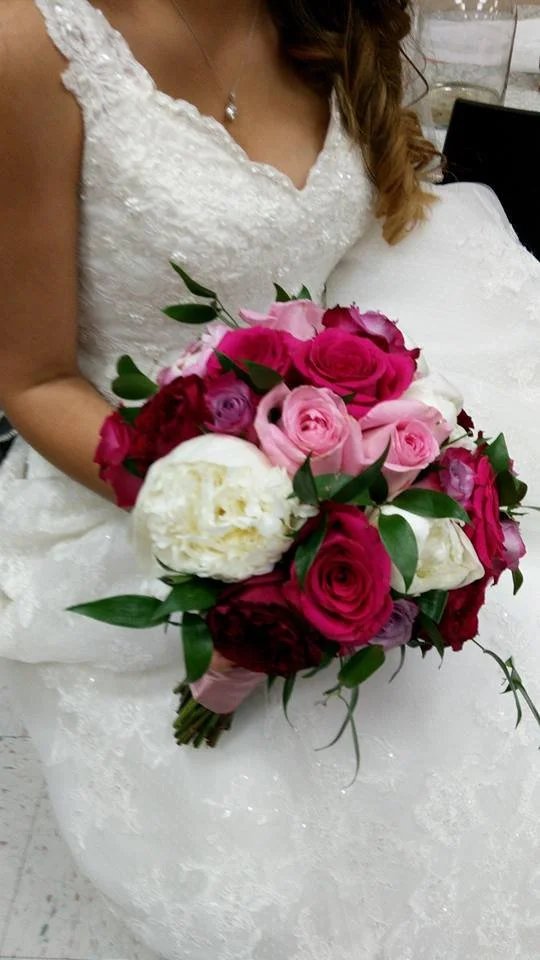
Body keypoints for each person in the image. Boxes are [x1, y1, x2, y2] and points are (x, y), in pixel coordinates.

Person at [0, 1, 538, 958]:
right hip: (142, 485)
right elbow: (32, 378)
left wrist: (379, 458)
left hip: (346, 439)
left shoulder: (325, 8)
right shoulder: (31, 42)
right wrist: (249, 540)